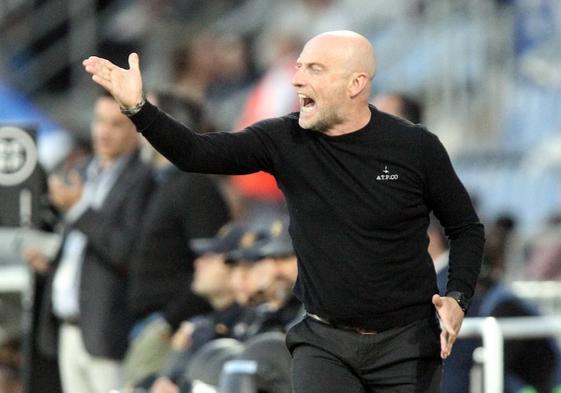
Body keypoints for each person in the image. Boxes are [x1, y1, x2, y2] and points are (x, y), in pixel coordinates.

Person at [83, 30, 485, 393]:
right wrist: (138, 108)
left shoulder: (414, 147)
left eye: (314, 69)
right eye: (298, 67)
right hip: (325, 341)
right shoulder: (284, 138)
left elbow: (466, 228)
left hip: (406, 344)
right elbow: (194, 152)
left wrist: (458, 297)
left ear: (355, 84)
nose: (297, 80)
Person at [25, 91, 155, 393]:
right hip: (67, 326)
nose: (104, 132)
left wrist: (80, 210)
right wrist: (49, 259)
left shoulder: (144, 180)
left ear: (135, 131)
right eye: (99, 122)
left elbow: (126, 251)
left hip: (108, 331)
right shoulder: (81, 172)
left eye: (115, 124)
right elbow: (78, 249)